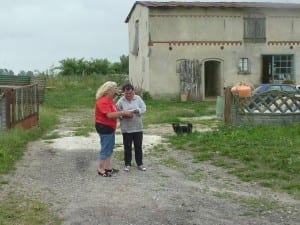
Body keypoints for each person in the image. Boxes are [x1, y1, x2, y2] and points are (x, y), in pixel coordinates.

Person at [95, 81, 134, 177]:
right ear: (109, 90)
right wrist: (123, 113)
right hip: (104, 126)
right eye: (115, 88)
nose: (117, 90)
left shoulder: (110, 100)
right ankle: (101, 169)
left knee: (110, 147)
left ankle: (107, 167)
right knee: (106, 148)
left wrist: (118, 95)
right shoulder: (102, 101)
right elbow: (109, 115)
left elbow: (114, 110)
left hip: (110, 126)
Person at [116, 83, 147, 172]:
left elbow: (144, 108)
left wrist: (138, 111)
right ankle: (127, 164)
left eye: (130, 93)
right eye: (126, 93)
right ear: (123, 92)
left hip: (138, 127)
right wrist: (123, 115)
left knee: (138, 146)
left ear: (133, 92)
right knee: (127, 147)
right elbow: (116, 112)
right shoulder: (121, 101)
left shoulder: (138, 98)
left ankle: (140, 164)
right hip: (126, 128)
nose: (128, 95)